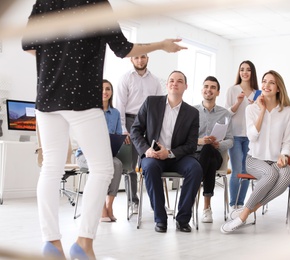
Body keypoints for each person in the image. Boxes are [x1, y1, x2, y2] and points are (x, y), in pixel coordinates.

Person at [22, 1, 186, 259]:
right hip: (81, 99)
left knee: (51, 166)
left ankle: (51, 243)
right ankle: (83, 244)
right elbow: (124, 49)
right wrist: (162, 45)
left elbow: (29, 45)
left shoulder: (44, 1)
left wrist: (58, 58)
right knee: (102, 168)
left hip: (47, 97)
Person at [221, 70, 290, 233]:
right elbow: (252, 137)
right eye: (264, 81)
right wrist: (261, 111)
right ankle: (242, 217)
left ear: (278, 88)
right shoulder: (251, 109)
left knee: (286, 174)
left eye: (271, 82)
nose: (266, 85)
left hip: (276, 161)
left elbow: (287, 140)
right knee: (270, 175)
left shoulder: (288, 111)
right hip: (254, 159)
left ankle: (247, 209)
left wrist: (284, 154)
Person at [130, 71, 203, 233]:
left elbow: (191, 145)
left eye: (179, 81)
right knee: (150, 167)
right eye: (171, 80)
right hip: (153, 155)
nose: (174, 83)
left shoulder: (192, 113)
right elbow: (135, 130)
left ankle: (183, 219)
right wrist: (146, 150)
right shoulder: (151, 103)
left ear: (185, 86)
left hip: (178, 156)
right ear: (167, 84)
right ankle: (160, 218)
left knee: (196, 168)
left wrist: (169, 153)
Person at [115, 54, 163, 214]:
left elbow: (160, 104)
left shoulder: (155, 80)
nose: (140, 60)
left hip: (149, 123)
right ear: (131, 60)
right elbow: (120, 104)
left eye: (143, 57)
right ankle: (133, 202)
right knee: (130, 166)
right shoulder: (125, 78)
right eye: (136, 58)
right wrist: (123, 129)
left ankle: (156, 203)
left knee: (151, 163)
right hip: (130, 122)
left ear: (148, 58)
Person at [75, 79, 123, 223]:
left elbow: (117, 135)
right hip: (86, 155)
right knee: (101, 167)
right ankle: (101, 207)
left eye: (108, 89)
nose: (104, 92)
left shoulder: (115, 113)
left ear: (111, 92)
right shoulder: (89, 111)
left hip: (106, 155)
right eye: (101, 89)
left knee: (118, 164)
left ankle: (109, 205)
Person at [194, 76, 233, 223]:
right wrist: (201, 141)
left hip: (216, 155)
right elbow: (186, 139)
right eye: (206, 86)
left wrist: (219, 145)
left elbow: (230, 140)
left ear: (218, 92)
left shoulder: (225, 114)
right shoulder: (192, 111)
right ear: (202, 90)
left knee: (209, 150)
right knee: (207, 155)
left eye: (212, 87)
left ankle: (194, 188)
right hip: (195, 156)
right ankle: (206, 208)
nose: (208, 90)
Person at [225, 60, 260, 209]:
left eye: (248, 70)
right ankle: (234, 205)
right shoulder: (232, 90)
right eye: (242, 69)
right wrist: (238, 102)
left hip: (251, 138)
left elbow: (262, 117)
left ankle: (241, 205)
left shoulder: (258, 93)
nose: (244, 72)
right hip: (235, 135)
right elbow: (226, 114)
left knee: (247, 171)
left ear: (252, 73)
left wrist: (255, 106)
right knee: (237, 170)